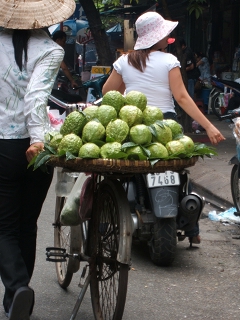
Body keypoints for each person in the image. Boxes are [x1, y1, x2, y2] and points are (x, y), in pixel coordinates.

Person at [102, 11, 225, 245]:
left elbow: (108, 93)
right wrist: (209, 126)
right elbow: (182, 97)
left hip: (135, 125)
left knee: (129, 170)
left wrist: (127, 100)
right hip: (165, 126)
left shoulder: (124, 61)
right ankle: (192, 230)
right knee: (178, 172)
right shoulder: (169, 61)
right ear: (157, 37)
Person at [0, 0, 75, 318]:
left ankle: (18, 288)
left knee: (4, 226)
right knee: (26, 224)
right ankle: (16, 297)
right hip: (37, 147)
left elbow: (31, 96)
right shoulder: (50, 49)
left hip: (4, 145)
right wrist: (38, 139)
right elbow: (36, 96)